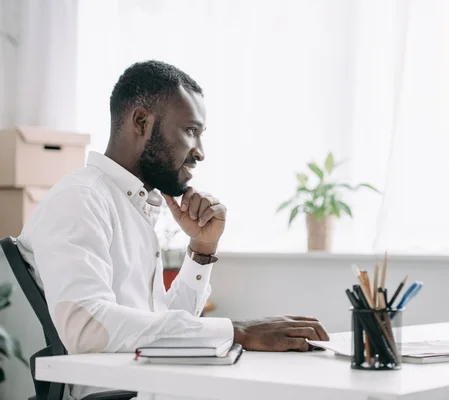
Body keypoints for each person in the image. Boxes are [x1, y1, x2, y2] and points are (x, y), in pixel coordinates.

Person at [17, 60, 329, 400]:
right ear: (141, 122)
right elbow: (87, 326)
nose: (200, 153)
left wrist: (202, 249)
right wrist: (238, 331)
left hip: (155, 388)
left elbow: (165, 326)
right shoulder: (81, 198)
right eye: (190, 131)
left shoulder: (132, 206)